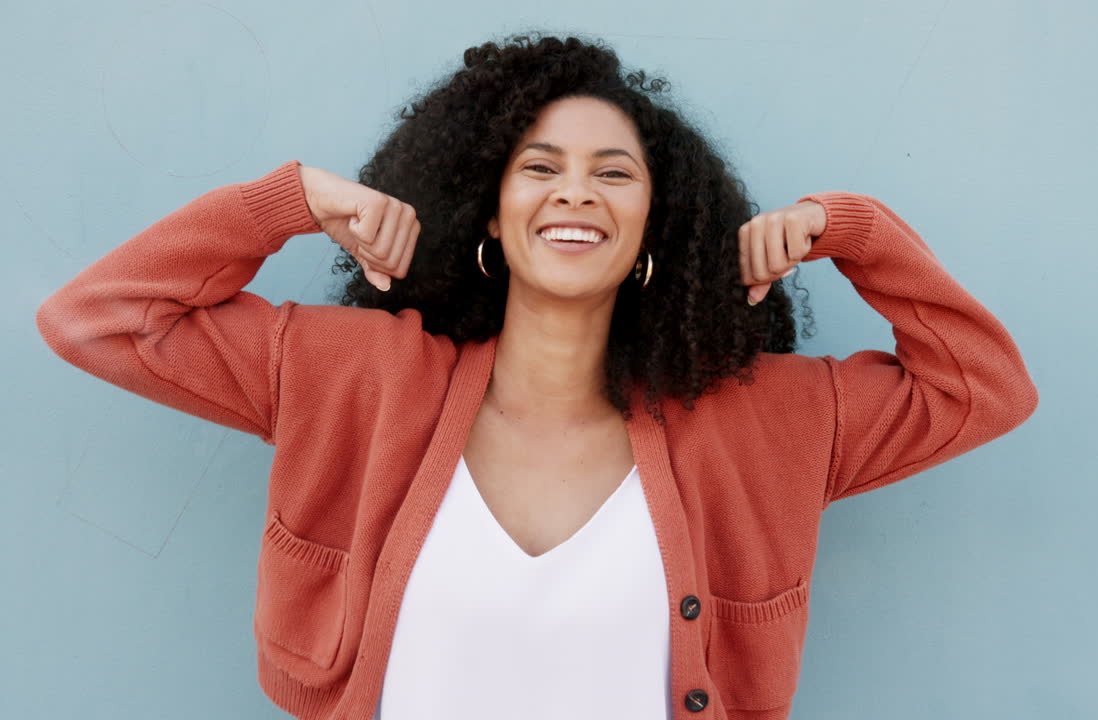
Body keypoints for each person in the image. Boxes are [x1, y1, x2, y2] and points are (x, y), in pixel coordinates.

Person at [35, 33, 1038, 720]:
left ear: (658, 224)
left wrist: (849, 231)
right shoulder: (354, 378)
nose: (574, 191)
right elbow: (98, 319)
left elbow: (981, 388)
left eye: (613, 172)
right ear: (486, 206)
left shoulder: (763, 418)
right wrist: (284, 202)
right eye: (538, 165)